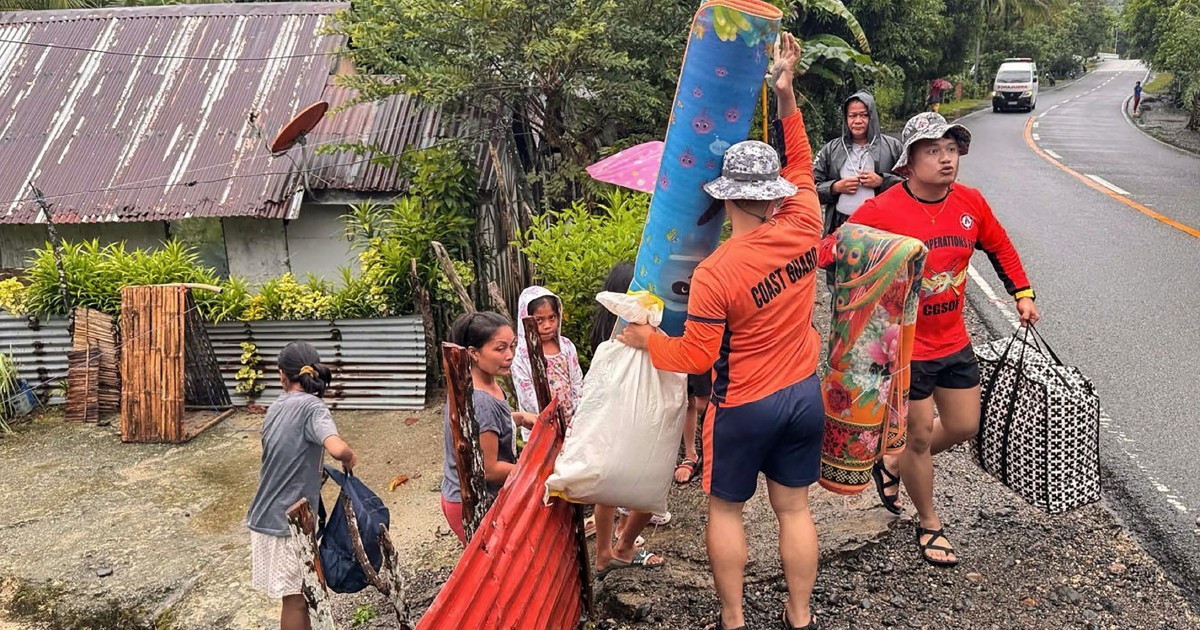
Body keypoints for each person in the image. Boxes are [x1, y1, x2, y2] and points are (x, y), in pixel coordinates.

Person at [619, 33, 823, 630]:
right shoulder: (806, 220)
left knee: (727, 511)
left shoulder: (717, 272)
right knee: (794, 510)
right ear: (775, 193)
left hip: (745, 405)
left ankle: (733, 620)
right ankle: (800, 615)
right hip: (804, 394)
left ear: (725, 195)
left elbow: (696, 354)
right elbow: (804, 163)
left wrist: (642, 340)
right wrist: (785, 93)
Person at [820, 111, 1040, 567]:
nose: (947, 160)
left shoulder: (971, 202)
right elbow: (836, 248)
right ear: (909, 161)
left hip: (954, 340)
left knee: (964, 425)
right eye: (934, 151)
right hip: (907, 349)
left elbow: (999, 246)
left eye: (952, 150)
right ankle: (929, 521)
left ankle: (894, 462)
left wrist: (1022, 293)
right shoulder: (883, 209)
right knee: (919, 436)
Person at [247, 341, 357, 630]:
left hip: (265, 513)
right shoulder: (313, 407)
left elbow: (284, 457)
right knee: (295, 598)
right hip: (286, 523)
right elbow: (335, 447)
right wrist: (349, 456)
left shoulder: (275, 407)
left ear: (282, 375)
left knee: (300, 593)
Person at [587, 261, 668, 575]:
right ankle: (622, 546)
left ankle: (608, 552)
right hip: (637, 420)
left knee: (609, 488)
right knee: (650, 484)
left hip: (611, 420)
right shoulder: (636, 336)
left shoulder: (605, 337)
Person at [440, 311, 537, 545]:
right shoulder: (481, 401)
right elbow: (489, 469)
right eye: (500, 348)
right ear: (473, 353)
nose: (510, 355)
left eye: (512, 346)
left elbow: (490, 428)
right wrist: (535, 471)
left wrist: (520, 417)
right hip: (469, 500)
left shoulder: (483, 384)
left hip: (466, 493)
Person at [812, 91, 904, 239]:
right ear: (846, 118)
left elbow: (912, 185)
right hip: (840, 224)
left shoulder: (893, 147)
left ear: (872, 117)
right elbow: (810, 188)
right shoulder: (831, 149)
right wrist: (835, 187)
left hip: (882, 227)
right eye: (852, 116)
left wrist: (882, 181)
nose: (858, 121)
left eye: (864, 115)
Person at [512, 286, 584, 442]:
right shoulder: (521, 357)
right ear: (526, 319)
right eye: (539, 320)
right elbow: (526, 395)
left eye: (552, 318)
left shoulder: (566, 347)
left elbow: (577, 381)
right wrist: (549, 418)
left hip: (572, 425)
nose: (547, 325)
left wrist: (576, 413)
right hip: (540, 427)